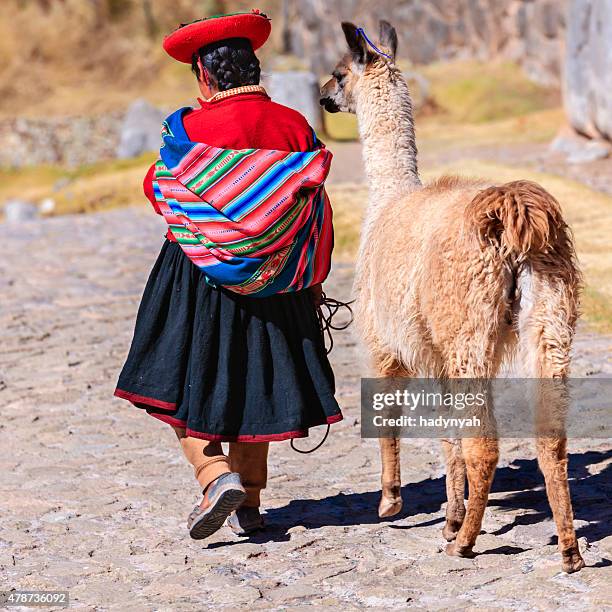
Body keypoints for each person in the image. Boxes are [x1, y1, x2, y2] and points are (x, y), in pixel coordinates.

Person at [114, 10, 342, 541]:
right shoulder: (294, 126)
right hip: (279, 278)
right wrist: (310, 278)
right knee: (254, 386)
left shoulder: (186, 131)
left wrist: (213, 217)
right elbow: (314, 209)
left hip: (197, 279)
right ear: (253, 69)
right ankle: (253, 507)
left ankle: (214, 476)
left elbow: (159, 190)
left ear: (205, 76)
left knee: (175, 379)